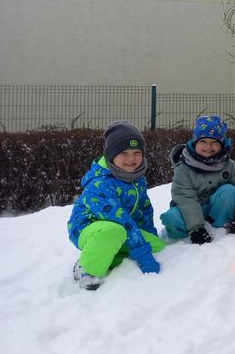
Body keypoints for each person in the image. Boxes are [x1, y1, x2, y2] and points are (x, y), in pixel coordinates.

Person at [68, 121, 164, 290]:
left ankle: (108, 254)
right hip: (89, 229)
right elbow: (119, 219)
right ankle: (86, 268)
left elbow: (144, 210)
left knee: (157, 246)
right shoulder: (100, 183)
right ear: (111, 155)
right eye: (124, 153)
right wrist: (142, 253)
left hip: (123, 228)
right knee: (114, 232)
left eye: (136, 153)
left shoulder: (137, 179)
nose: (131, 159)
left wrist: (150, 235)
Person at [160, 115, 235, 244]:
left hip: (217, 210)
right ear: (195, 142)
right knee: (171, 218)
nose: (208, 147)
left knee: (229, 191)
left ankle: (219, 227)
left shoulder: (230, 166)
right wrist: (196, 228)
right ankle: (184, 235)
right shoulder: (184, 168)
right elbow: (185, 198)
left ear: (222, 144)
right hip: (189, 211)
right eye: (203, 141)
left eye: (214, 142)